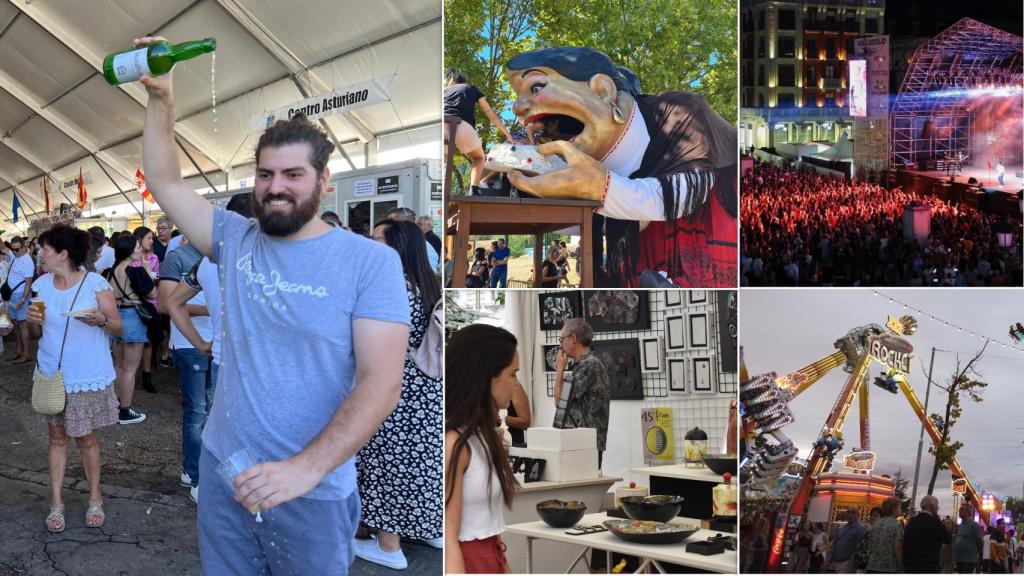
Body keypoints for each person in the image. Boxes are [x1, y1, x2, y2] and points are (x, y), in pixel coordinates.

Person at [139, 35, 410, 574]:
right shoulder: (235, 237)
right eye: (265, 175)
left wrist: (304, 470)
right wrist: (162, 101)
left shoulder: (370, 263)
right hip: (225, 470)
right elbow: (166, 181)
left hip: (311, 489)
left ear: (323, 183)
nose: (274, 188)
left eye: (292, 175)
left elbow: (381, 383)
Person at [504, 47, 737, 287]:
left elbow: (688, 192)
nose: (517, 107)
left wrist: (600, 188)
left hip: (711, 240)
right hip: (645, 258)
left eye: (536, 87)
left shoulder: (679, 110)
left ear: (603, 90)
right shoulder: (591, 159)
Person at [13, 225, 122, 532]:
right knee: (57, 438)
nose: (40, 254)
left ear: (63, 254)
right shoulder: (42, 285)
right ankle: (56, 503)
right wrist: (33, 322)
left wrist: (99, 319)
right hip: (51, 373)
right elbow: (37, 332)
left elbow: (116, 326)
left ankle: (95, 498)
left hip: (86, 372)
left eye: (45, 249)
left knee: (86, 438)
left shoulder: (95, 283)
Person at [354, 219, 443, 570]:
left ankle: (389, 545)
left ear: (397, 248)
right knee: (422, 463)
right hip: (427, 391)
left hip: (396, 389)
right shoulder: (430, 283)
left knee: (386, 462)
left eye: (377, 239)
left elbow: (376, 344)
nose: (370, 243)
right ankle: (428, 528)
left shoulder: (393, 286)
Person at [164, 193, 254, 503]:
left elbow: (172, 303)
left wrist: (201, 343)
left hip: (221, 360)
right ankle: (237, 495)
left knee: (221, 428)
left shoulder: (207, 263)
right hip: (253, 366)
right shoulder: (263, 259)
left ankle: (211, 487)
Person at [444, 324, 519, 573]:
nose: (516, 384)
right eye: (512, 374)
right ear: (487, 377)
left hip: (489, 557)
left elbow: (492, 532)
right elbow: (448, 540)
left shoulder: (483, 437)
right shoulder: (456, 443)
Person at [158, 232, 209, 504]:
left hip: (218, 344)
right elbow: (166, 304)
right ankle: (194, 472)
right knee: (197, 410)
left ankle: (203, 473)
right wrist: (210, 309)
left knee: (212, 410)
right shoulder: (177, 258)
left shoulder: (217, 258)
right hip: (189, 344)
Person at [104, 234, 153, 425]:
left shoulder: (110, 271)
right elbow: (152, 293)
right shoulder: (136, 270)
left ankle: (115, 405)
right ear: (129, 250)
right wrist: (147, 269)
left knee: (119, 365)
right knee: (130, 369)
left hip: (115, 317)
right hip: (132, 317)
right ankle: (124, 410)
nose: (140, 251)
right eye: (137, 248)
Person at [443, 68, 515, 188]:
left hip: (440, 126)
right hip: (461, 125)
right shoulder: (470, 88)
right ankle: (474, 189)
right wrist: (508, 136)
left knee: (443, 163)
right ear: (463, 79)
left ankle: (442, 198)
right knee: (479, 158)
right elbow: (490, 114)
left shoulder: (442, 90)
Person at [553, 318, 610, 469]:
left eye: (562, 339)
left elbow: (560, 401)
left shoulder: (589, 365)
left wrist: (559, 369)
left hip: (585, 445)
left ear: (573, 338)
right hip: (580, 443)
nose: (560, 345)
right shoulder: (585, 364)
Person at [132, 226, 160, 393]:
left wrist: (149, 273)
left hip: (151, 302)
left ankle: (147, 376)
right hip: (134, 302)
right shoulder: (131, 259)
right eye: (149, 238)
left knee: (149, 342)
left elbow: (155, 282)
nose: (151, 241)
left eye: (152, 238)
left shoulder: (153, 258)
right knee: (136, 341)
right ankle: (130, 374)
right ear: (140, 239)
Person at [5, 237, 36, 364]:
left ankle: (26, 353)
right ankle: (19, 351)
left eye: (17, 249)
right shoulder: (16, 257)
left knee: (22, 324)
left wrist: (23, 299)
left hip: (20, 296)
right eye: (13, 249)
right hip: (13, 295)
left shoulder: (27, 261)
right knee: (16, 324)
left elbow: (29, 283)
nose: (15, 251)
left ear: (24, 247)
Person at [903, 495, 951, 573]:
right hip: (928, 566)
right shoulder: (934, 522)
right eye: (937, 506)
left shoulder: (911, 521)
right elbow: (947, 539)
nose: (938, 508)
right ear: (932, 507)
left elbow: (905, 542)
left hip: (911, 565)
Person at [867, 497, 904, 573]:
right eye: (900, 507)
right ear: (894, 509)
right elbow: (897, 547)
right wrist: (900, 564)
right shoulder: (897, 524)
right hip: (888, 567)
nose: (900, 510)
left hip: (872, 565)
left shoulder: (876, 524)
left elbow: (870, 546)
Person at [828, 507, 868, 573]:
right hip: (837, 562)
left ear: (858, 515)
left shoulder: (861, 530)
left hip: (849, 562)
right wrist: (831, 558)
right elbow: (835, 543)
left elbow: (863, 547)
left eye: (853, 512)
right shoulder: (841, 528)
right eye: (848, 512)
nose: (849, 514)